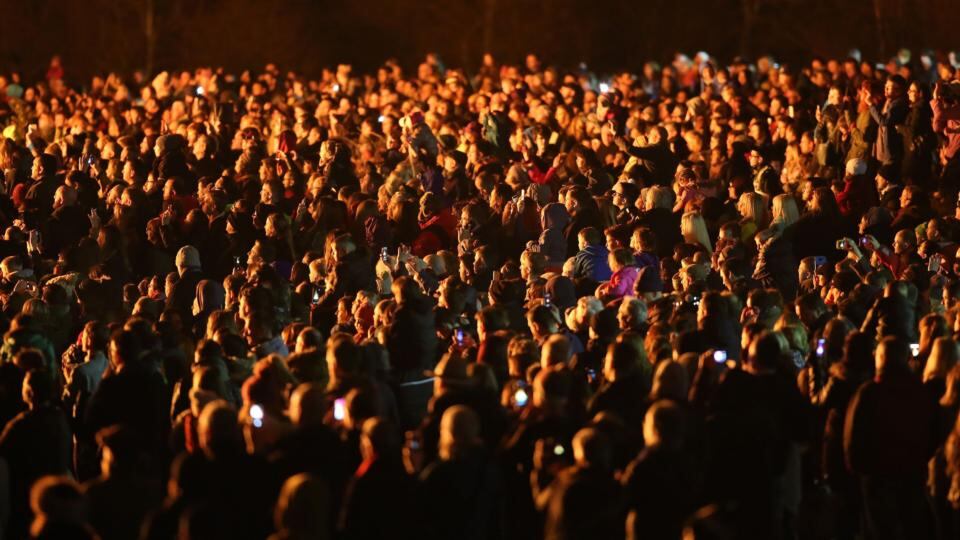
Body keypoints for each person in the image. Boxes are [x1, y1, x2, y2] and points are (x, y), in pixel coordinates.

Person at [844, 336, 937, 539]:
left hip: (878, 478)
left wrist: (861, 470)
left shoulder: (869, 393)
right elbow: (932, 432)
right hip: (911, 474)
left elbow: (853, 439)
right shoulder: (920, 391)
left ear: (881, 358)